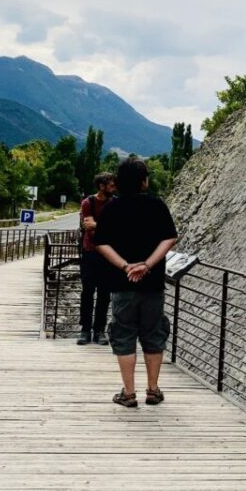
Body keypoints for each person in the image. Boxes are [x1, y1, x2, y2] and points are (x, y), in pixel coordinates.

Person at [94, 156, 178, 407]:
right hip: (152, 284)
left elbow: (101, 243)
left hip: (122, 283)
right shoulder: (157, 205)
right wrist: (148, 264)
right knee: (154, 334)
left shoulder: (112, 207)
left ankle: (128, 393)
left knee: (123, 334)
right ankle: (153, 390)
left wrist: (126, 266)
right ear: (144, 181)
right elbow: (170, 238)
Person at [76, 172, 116, 346]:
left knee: (105, 293)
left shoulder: (115, 203)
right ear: (102, 186)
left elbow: (118, 228)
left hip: (108, 254)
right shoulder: (88, 203)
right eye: (111, 185)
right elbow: (89, 229)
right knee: (87, 291)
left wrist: (99, 226)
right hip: (90, 252)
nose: (114, 188)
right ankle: (85, 329)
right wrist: (107, 228)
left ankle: (99, 330)